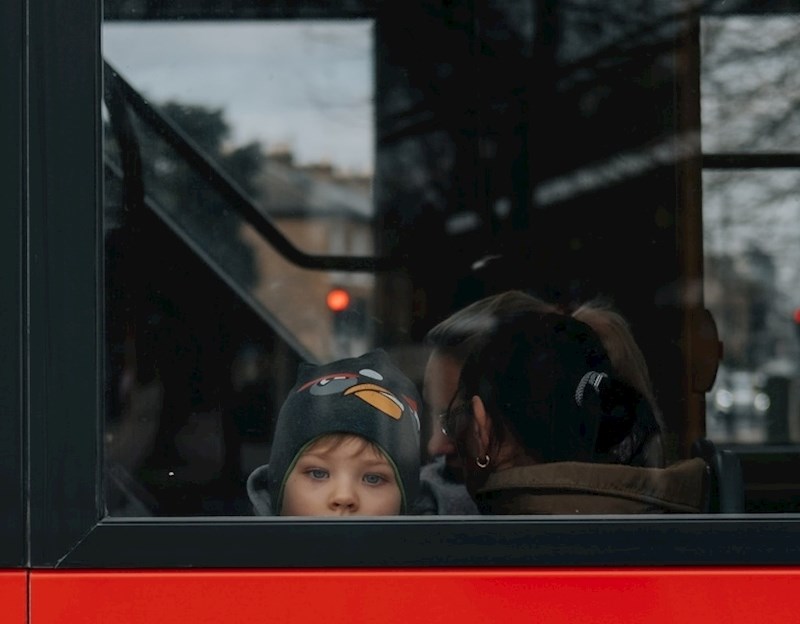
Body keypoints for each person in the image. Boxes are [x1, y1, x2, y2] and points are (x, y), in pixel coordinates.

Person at [442, 308, 706, 514]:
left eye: (452, 422)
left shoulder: (476, 555)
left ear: (481, 429)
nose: (440, 444)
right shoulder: (695, 517)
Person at [247, 349, 422, 516]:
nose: (344, 497)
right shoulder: (239, 547)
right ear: (279, 488)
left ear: (405, 500)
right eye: (318, 473)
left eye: (373, 478)